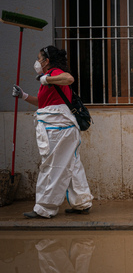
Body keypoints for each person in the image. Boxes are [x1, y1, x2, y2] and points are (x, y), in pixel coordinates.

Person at [12, 45, 93, 218]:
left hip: (58, 128)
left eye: (39, 59)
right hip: (63, 127)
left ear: (47, 61)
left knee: (53, 167)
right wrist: (23, 96)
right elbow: (44, 103)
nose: (37, 63)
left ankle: (44, 208)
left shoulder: (54, 73)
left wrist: (46, 79)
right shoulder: (48, 78)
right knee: (72, 165)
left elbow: (69, 78)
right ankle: (82, 202)